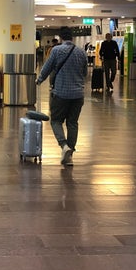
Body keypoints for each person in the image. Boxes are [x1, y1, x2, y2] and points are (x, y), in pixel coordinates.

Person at [36, 26, 88, 166]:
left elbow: (47, 67)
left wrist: (39, 80)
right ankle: (69, 155)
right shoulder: (81, 52)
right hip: (78, 94)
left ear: (61, 37)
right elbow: (85, 73)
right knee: (72, 123)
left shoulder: (57, 50)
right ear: (72, 37)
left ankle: (64, 146)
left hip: (61, 93)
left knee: (56, 121)